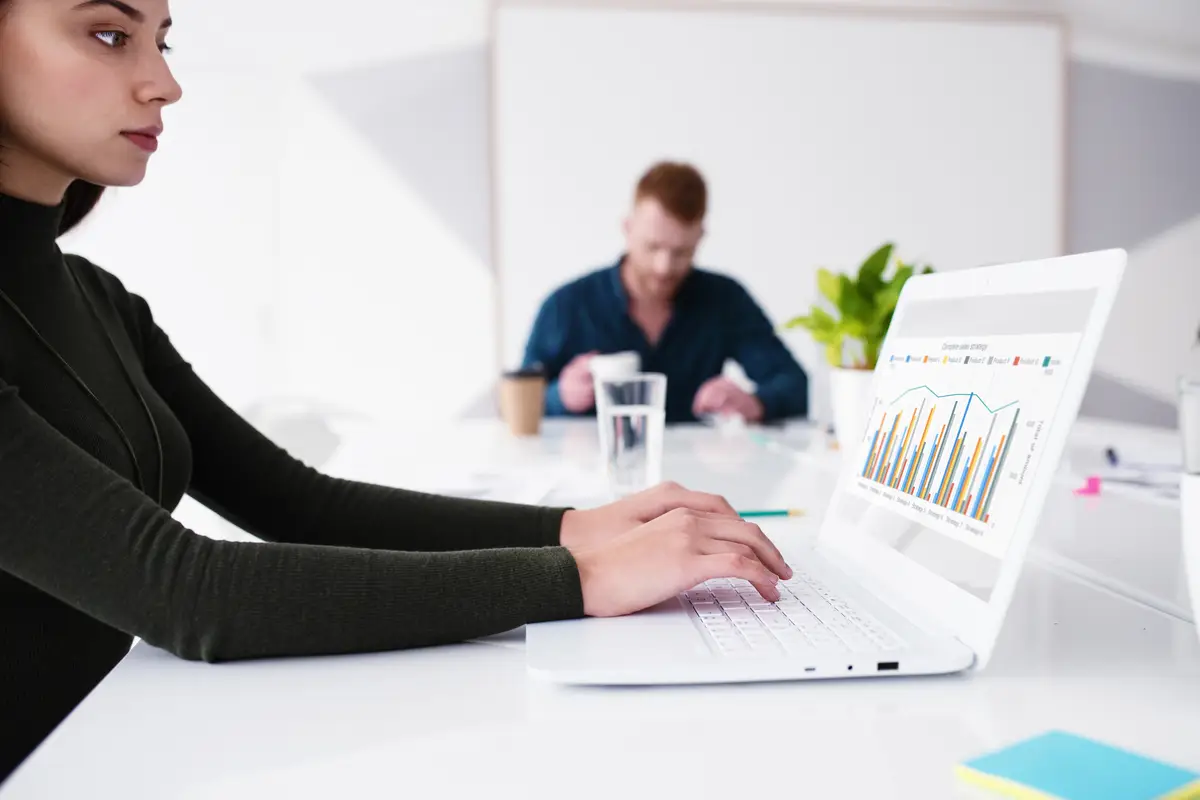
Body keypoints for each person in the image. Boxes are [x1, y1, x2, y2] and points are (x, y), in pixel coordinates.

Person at [0, 0, 793, 781]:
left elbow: (302, 505)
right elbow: (186, 592)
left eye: (163, 41)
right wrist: (583, 579)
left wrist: (578, 529)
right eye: (110, 35)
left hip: (98, 754)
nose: (165, 82)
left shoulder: (100, 301)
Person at [521, 161, 809, 424]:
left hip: (696, 474)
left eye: (681, 252)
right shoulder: (567, 306)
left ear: (700, 238)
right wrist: (560, 396)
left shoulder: (724, 299)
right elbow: (517, 402)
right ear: (628, 228)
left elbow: (795, 383)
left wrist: (756, 402)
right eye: (653, 247)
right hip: (592, 471)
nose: (664, 267)